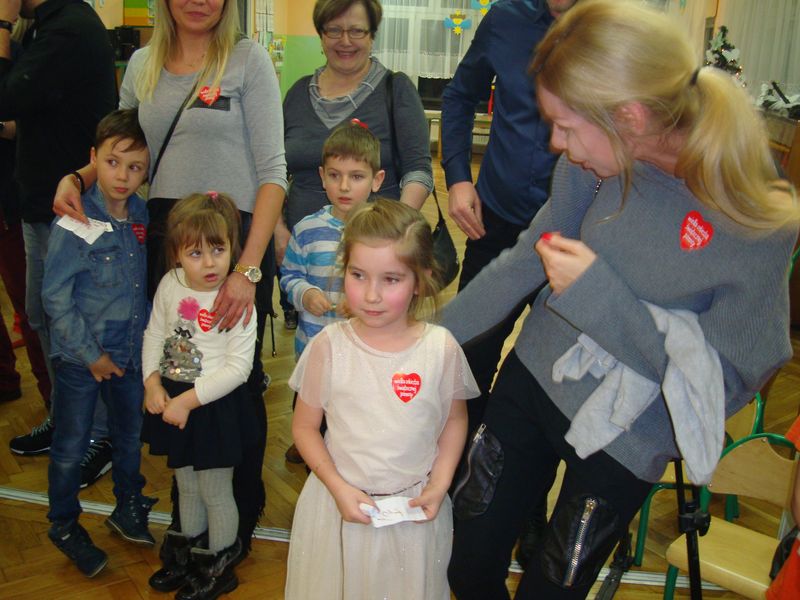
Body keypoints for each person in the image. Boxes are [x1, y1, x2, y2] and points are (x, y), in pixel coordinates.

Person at [442, 1, 800, 598]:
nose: (557, 144)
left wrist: (597, 296)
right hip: (535, 378)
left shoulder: (756, 219)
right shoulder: (597, 159)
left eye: (565, 127)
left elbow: (717, 384)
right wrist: (424, 339)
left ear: (629, 116)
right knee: (467, 562)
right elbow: (526, 260)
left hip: (627, 437)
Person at [52, 0, 287, 555]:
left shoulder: (248, 61)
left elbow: (274, 174)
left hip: (232, 244)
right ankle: (190, 522)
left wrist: (247, 270)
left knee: (235, 380)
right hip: (166, 242)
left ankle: (236, 522)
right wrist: (77, 177)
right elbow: (120, 149)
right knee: (180, 372)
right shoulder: (142, 65)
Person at [285, 199, 479, 599]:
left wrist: (440, 483)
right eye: (358, 275)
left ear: (420, 281)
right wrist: (336, 486)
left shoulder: (440, 348)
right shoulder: (329, 346)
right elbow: (304, 428)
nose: (371, 295)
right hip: (339, 505)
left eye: (391, 279)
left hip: (413, 511)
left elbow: (455, 420)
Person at [0, 0, 117, 479]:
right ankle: (68, 418)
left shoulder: (69, 28)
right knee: (43, 316)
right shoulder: (47, 27)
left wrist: (2, 22)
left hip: (74, 209)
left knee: (78, 323)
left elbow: (7, 96)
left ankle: (100, 433)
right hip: (41, 206)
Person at [41, 109, 154, 578]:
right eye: (112, 163)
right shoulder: (74, 220)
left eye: (135, 167)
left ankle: (128, 504)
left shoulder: (141, 213)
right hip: (81, 359)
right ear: (93, 159)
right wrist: (92, 356)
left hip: (128, 352)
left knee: (129, 436)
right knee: (72, 443)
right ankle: (64, 523)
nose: (122, 176)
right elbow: (54, 298)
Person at [142, 192, 256, 598]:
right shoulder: (170, 284)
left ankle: (217, 565)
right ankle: (186, 555)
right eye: (195, 253)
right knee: (186, 483)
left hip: (212, 406)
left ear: (232, 248)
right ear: (176, 254)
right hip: (174, 396)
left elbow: (238, 368)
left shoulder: (237, 299)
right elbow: (155, 333)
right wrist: (152, 382)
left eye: (218, 250)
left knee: (214, 490)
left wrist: (186, 401)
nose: (209, 263)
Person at [277, 0, 433, 284]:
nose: (345, 41)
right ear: (321, 35)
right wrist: (278, 231)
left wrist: (394, 234)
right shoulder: (297, 94)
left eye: (357, 31)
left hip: (376, 261)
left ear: (372, 36)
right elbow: (274, 171)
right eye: (334, 30)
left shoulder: (396, 89)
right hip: (306, 259)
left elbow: (418, 171)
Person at [280, 119, 385, 463]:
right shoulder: (307, 229)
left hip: (363, 355)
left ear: (376, 180)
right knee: (309, 412)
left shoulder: (384, 234)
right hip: (314, 350)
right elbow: (289, 275)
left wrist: (365, 307)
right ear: (322, 176)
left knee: (353, 423)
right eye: (335, 175)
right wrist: (305, 293)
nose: (344, 186)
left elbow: (394, 287)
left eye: (356, 176)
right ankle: (309, 447)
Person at [0, 18, 50, 408]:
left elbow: (25, 122)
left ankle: (54, 404)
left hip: (13, 200)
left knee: (31, 307)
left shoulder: (19, 52)